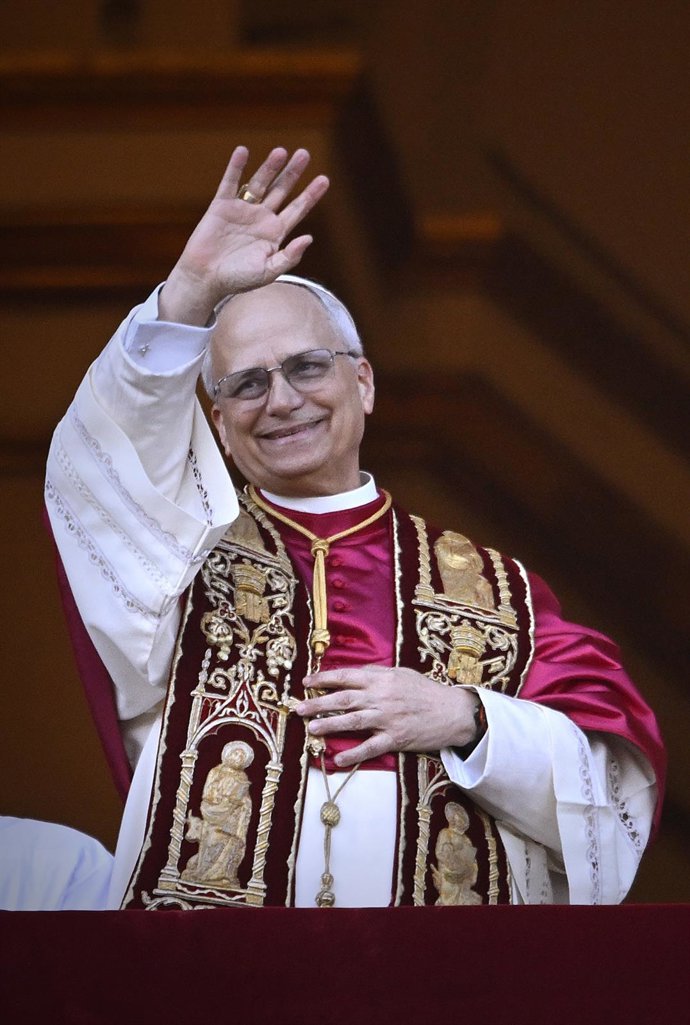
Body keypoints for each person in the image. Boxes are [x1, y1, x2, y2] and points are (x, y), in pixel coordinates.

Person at [46, 146, 664, 910]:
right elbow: (99, 474)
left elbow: (615, 787)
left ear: (363, 382)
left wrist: (468, 717)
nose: (280, 400)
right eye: (246, 383)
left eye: (307, 366)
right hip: (211, 977)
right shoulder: (172, 564)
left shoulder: (503, 590)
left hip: (438, 984)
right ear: (218, 422)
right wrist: (185, 297)